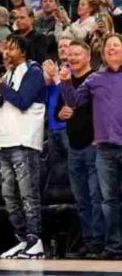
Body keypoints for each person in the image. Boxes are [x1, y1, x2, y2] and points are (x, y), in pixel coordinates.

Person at [58, 33, 122, 259]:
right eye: (108, 46)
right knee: (108, 200)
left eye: (116, 45)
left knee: (104, 199)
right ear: (103, 53)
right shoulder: (95, 78)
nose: (112, 49)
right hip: (104, 148)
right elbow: (74, 101)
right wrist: (65, 81)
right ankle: (113, 247)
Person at [0, 34, 46, 259]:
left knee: (28, 195)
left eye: (12, 49)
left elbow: (22, 101)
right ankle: (22, 239)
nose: (6, 52)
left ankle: (35, 240)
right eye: (5, 48)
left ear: (24, 51)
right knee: (9, 196)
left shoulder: (34, 72)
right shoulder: (8, 73)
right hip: (4, 140)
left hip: (24, 139)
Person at [49, 40, 104, 258]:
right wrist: (60, 114)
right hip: (74, 146)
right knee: (81, 199)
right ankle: (88, 241)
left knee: (96, 197)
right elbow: (57, 112)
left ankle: (100, 242)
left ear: (88, 57)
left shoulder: (97, 80)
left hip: (93, 146)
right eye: (70, 55)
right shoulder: (66, 81)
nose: (72, 58)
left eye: (77, 54)